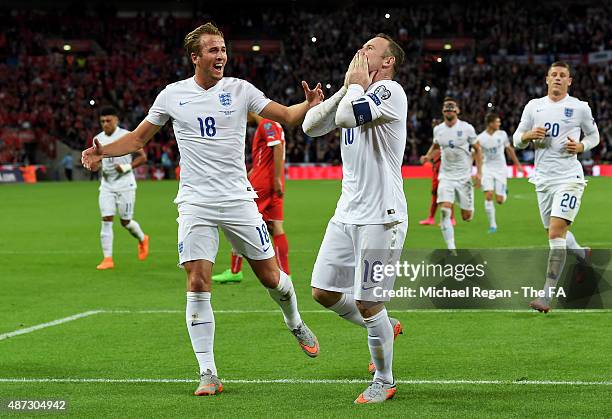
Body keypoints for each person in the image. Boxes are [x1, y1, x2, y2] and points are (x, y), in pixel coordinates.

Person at [81, 23, 322, 396]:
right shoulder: (172, 95)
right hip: (194, 202)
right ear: (195, 57)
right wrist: (101, 151)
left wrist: (308, 105)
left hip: (237, 199)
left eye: (223, 49)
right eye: (212, 50)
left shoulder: (240, 90)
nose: (221, 55)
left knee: (272, 278)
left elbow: (287, 117)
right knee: (197, 281)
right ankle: (208, 371)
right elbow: (138, 138)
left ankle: (295, 322)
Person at [303, 34, 407, 404]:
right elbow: (311, 127)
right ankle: (385, 327)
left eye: (370, 48)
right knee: (323, 291)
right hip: (347, 212)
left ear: (388, 61)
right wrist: (345, 88)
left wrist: (356, 87)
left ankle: (384, 379)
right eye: (360, 45)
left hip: (382, 216)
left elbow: (348, 116)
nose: (361, 50)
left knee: (368, 302)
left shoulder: (390, 92)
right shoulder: (357, 90)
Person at [513, 61, 599, 313]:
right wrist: (528, 136)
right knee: (554, 232)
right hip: (543, 180)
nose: (558, 78)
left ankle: (546, 296)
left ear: (569, 81)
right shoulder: (534, 106)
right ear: (547, 79)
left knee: (555, 235)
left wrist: (582, 146)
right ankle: (583, 254)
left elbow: (594, 136)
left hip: (569, 178)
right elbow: (517, 139)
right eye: (554, 75)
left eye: (563, 75)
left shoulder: (579, 107)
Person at [213, 113, 290, 283]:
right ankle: (285, 272)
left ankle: (235, 271)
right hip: (272, 181)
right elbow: (268, 156)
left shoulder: (267, 124)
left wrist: (274, 178)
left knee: (238, 223)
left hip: (262, 184)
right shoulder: (275, 124)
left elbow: (276, 146)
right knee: (276, 226)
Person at [421, 98, 482, 251]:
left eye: (452, 107)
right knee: (445, 209)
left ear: (457, 111)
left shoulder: (467, 128)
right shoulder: (438, 130)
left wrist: (479, 172)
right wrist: (428, 156)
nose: (449, 109)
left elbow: (478, 149)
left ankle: (467, 208)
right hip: (446, 176)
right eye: (446, 108)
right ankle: (451, 247)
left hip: (464, 177)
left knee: (467, 216)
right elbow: (436, 145)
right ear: (443, 111)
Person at [93, 106, 149, 270]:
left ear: (116, 120)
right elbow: (97, 163)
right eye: (102, 121)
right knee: (106, 220)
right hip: (106, 185)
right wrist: (94, 165)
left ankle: (142, 238)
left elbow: (143, 157)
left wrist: (126, 167)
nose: (105, 124)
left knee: (125, 222)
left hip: (125, 184)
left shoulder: (126, 136)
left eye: (108, 120)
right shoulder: (97, 138)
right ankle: (107, 259)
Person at [477, 112, 524, 233]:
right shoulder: (480, 138)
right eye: (497, 122)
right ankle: (493, 225)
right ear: (490, 123)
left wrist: (517, 164)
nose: (499, 123)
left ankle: (504, 192)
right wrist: (478, 172)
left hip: (500, 169)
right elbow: (476, 154)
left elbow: (509, 149)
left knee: (499, 200)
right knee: (488, 195)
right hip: (487, 168)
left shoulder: (502, 134)